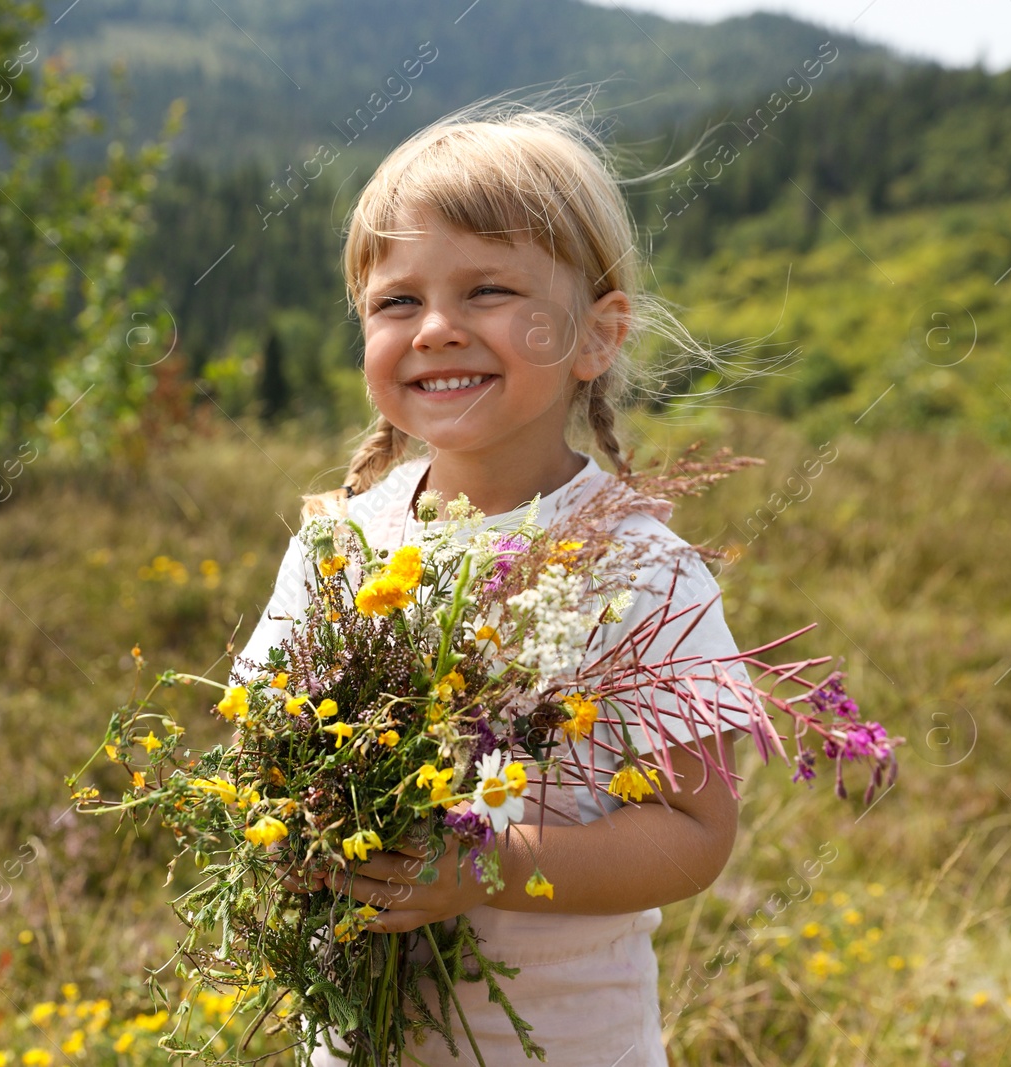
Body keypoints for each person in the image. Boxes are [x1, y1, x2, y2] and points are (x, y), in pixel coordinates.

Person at [233, 101, 757, 1067]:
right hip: (356, 1040)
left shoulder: (642, 566)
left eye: (487, 291)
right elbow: (260, 744)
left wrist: (480, 864)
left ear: (596, 337)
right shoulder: (338, 545)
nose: (435, 329)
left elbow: (695, 831)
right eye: (396, 302)